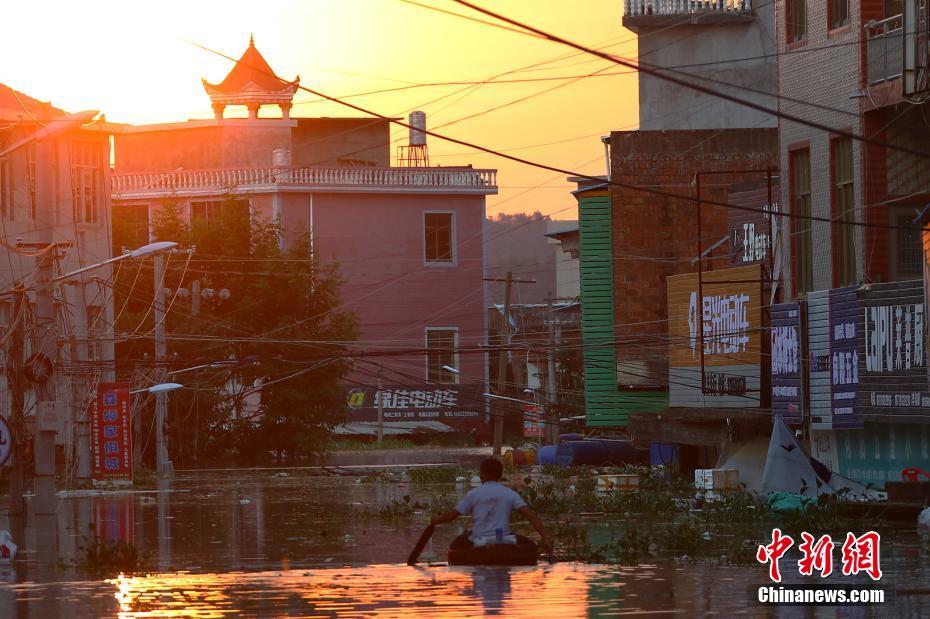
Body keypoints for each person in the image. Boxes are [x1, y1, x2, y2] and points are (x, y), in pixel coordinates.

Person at [430, 458, 552, 555]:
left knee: (454, 546)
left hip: (478, 540)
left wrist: (436, 520)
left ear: (482, 475)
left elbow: (451, 516)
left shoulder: (473, 494)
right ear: (500, 475)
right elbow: (530, 515)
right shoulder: (509, 493)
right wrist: (545, 538)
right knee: (529, 545)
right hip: (504, 539)